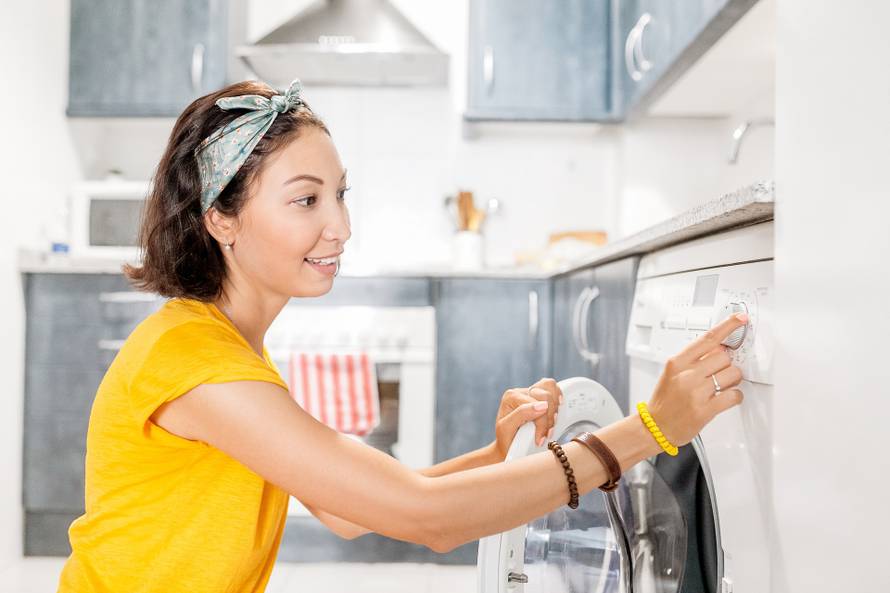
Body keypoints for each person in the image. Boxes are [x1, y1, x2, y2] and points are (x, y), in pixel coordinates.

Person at [56, 79, 746, 593]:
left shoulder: (231, 351)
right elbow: (427, 517)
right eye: (306, 199)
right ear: (223, 220)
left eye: (341, 194)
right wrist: (650, 429)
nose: (340, 227)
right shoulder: (194, 362)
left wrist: (495, 453)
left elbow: (351, 511)